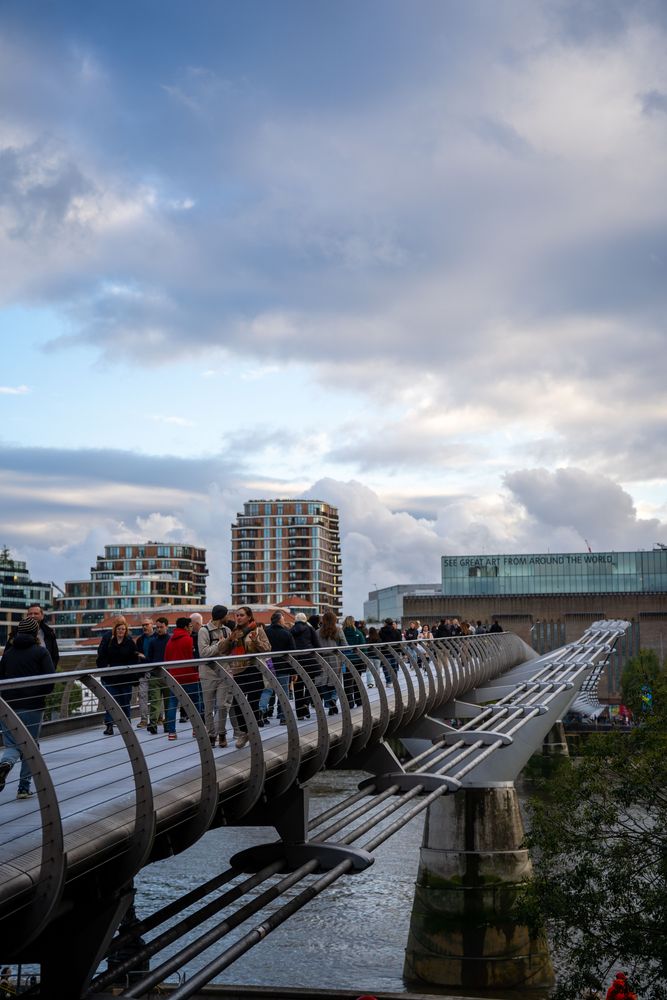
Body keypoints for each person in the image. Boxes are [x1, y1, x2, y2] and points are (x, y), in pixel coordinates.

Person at [0, 617, 56, 800]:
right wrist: (39, 692)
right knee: (30, 745)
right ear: (35, 633)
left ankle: (5, 763)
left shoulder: (8, 653)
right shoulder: (41, 652)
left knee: (12, 744)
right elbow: (49, 683)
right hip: (33, 705)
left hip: (8, 706)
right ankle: (23, 788)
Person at [218, 606, 270, 748]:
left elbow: (267, 648)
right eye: (237, 615)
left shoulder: (257, 630)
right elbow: (223, 651)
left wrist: (256, 641)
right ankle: (246, 732)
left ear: (248, 617)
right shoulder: (234, 632)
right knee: (237, 704)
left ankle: (250, 733)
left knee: (252, 704)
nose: (238, 618)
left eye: (241, 615)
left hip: (253, 670)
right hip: (238, 671)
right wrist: (228, 640)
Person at [197, 604, 234, 748]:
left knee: (222, 705)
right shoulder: (204, 631)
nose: (229, 617)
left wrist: (232, 643)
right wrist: (221, 644)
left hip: (224, 672)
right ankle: (211, 735)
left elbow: (228, 651)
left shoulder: (227, 630)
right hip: (207, 674)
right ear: (222, 616)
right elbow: (204, 653)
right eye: (227, 615)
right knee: (208, 707)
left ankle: (222, 734)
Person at [97, 618, 140, 735]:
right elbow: (102, 654)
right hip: (111, 676)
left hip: (125, 677)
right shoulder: (109, 640)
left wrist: (130, 669)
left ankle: (127, 724)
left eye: (123, 629)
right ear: (115, 629)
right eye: (119, 628)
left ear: (125, 630)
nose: (120, 631)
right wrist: (104, 667)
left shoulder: (130, 642)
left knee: (125, 701)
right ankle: (109, 725)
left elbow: (134, 657)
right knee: (111, 702)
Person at [164, 618, 203, 741]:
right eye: (190, 626)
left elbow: (166, 659)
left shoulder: (170, 641)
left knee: (172, 704)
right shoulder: (189, 639)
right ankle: (196, 730)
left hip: (174, 678)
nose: (192, 629)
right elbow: (193, 658)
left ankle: (171, 732)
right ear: (186, 627)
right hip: (190, 677)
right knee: (195, 704)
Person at [264, 610, 296, 724]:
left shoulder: (265, 632)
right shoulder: (287, 633)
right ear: (279, 620)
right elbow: (292, 653)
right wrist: (293, 671)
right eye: (283, 619)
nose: (284, 621)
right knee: (283, 692)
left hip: (268, 666)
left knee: (267, 691)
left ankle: (262, 715)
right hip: (283, 667)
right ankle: (283, 717)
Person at [290, 613, 321, 720]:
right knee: (310, 684)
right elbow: (317, 644)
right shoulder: (309, 629)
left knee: (298, 688)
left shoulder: (291, 630)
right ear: (304, 619)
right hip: (309, 660)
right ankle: (306, 704)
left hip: (296, 661)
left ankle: (300, 714)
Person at [317, 611, 346, 714]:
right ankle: (333, 699)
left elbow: (315, 646)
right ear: (334, 620)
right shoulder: (338, 630)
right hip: (335, 659)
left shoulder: (318, 632)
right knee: (336, 682)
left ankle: (329, 703)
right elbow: (344, 645)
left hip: (321, 660)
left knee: (323, 683)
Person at [145, 617, 170, 734]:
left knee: (168, 702)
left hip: (168, 675)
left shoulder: (170, 640)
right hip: (156, 675)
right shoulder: (153, 642)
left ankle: (166, 724)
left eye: (161, 627)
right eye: (157, 627)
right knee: (155, 701)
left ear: (167, 626)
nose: (159, 629)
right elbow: (149, 659)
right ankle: (153, 724)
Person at [342, 615, 366, 708]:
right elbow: (363, 647)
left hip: (346, 660)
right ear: (353, 622)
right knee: (357, 681)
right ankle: (359, 701)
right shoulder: (358, 633)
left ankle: (349, 703)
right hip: (357, 660)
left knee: (347, 682)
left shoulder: (342, 632)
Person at [26, 603, 60, 669]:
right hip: (26, 674)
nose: (33, 616)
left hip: (45, 675)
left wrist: (51, 670)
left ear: (42, 616)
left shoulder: (49, 633)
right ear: (27, 616)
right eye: (30, 614)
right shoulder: (18, 633)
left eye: (36, 613)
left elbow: (55, 655)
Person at [135, 618, 154, 728]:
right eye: (143, 625)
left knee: (156, 695)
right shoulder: (140, 640)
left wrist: (145, 657)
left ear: (152, 625)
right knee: (142, 695)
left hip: (155, 671)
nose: (144, 627)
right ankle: (143, 719)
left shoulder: (157, 637)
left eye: (146, 624)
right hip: (143, 671)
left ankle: (158, 717)